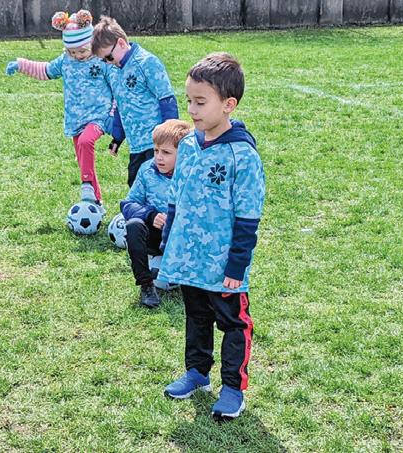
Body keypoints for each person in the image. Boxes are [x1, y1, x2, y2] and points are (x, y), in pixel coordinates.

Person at [158, 53, 265, 421]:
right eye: (189, 100)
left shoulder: (241, 155)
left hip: (223, 264)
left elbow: (248, 215)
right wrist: (170, 241)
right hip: (190, 258)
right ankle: (197, 373)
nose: (191, 109)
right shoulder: (188, 145)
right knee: (196, 316)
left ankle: (233, 387)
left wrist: (237, 264)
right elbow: (176, 198)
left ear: (228, 104)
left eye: (200, 102)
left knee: (233, 323)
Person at [6, 9, 114, 209]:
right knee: (83, 160)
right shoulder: (66, 61)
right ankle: (96, 201)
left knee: (86, 141)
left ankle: (86, 185)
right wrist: (21, 65)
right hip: (75, 119)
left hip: (99, 116)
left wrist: (112, 114)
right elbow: (45, 70)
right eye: (73, 52)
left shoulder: (102, 61)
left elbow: (116, 86)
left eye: (82, 51)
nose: (78, 55)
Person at [91, 16, 179, 187]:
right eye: (104, 60)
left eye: (109, 57)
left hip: (156, 145)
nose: (108, 63)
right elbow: (120, 106)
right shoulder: (114, 71)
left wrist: (170, 137)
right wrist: (117, 138)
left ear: (121, 43)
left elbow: (166, 99)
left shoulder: (146, 63)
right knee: (136, 185)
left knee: (160, 187)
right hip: (136, 146)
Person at [120, 119, 192, 308]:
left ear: (183, 154)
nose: (159, 157)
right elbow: (127, 204)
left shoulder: (192, 175)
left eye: (166, 152)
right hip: (155, 236)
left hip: (182, 238)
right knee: (133, 225)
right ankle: (146, 286)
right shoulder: (147, 170)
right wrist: (150, 215)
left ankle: (193, 284)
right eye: (156, 150)